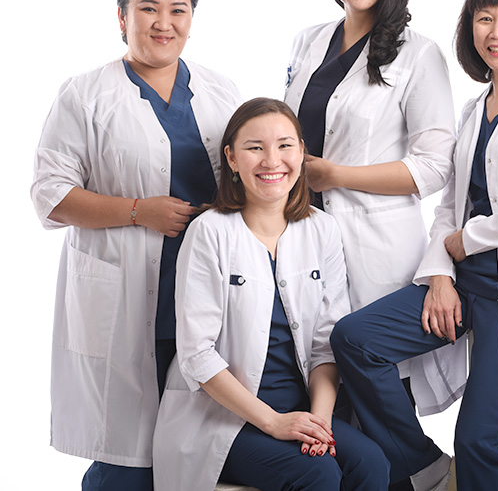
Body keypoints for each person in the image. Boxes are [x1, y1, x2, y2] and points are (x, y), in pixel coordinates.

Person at [330, 0, 498, 491]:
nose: (497, 31)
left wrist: (466, 242)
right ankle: (421, 465)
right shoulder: (474, 111)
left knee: (476, 439)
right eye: (484, 19)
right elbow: (448, 209)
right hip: (465, 284)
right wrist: (440, 275)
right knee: (356, 339)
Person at [31, 0, 241, 491]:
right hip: (124, 288)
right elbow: (50, 196)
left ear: (192, 19)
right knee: (125, 458)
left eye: (178, 10)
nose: (163, 23)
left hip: (203, 289)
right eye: (148, 9)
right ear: (122, 17)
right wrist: (136, 211)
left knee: (196, 444)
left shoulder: (220, 91)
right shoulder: (85, 94)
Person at [285, 0, 457, 490]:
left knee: (371, 381)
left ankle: (422, 475)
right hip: (306, 237)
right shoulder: (309, 41)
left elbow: (434, 166)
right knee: (322, 383)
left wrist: (338, 175)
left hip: (376, 244)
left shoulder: (419, 54)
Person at [152, 98, 390, 491]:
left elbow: (325, 344)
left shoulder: (321, 229)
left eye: (284, 145)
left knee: (371, 464)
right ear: (231, 158)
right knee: (317, 473)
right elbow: (197, 354)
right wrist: (274, 422)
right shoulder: (210, 231)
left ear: (301, 152)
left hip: (299, 409)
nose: (272, 160)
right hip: (223, 418)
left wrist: (321, 422)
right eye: (255, 148)